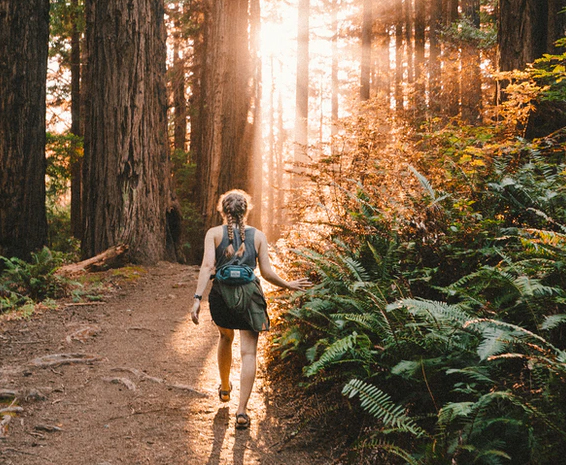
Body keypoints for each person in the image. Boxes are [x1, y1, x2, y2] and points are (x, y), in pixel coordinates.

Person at [190, 189, 310, 429]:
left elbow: (206, 266)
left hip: (221, 297)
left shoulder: (213, 234)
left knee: (225, 338)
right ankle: (242, 411)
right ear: (246, 211)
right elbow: (266, 273)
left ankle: (225, 388)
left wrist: (196, 299)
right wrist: (288, 284)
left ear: (223, 211)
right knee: (248, 354)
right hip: (250, 298)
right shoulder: (258, 236)